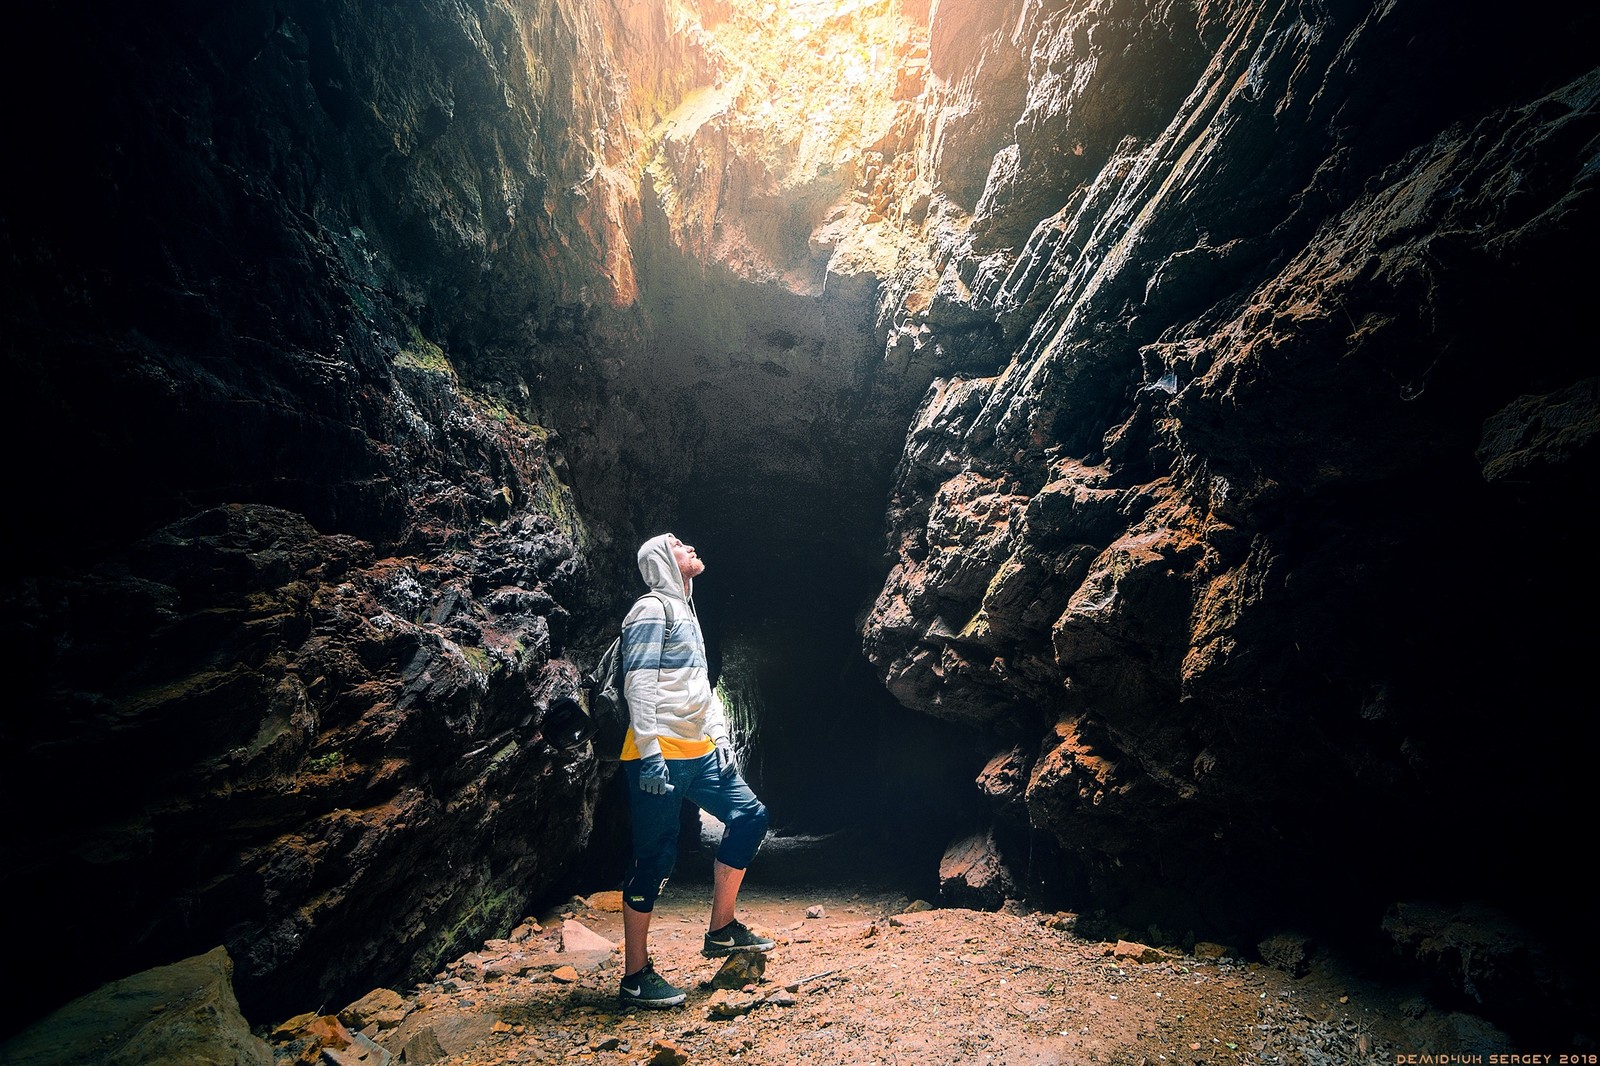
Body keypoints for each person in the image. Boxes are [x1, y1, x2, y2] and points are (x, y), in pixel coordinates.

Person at [616, 532, 773, 1008]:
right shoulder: (649, 610)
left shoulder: (687, 612)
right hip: (657, 753)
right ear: (664, 559)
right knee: (656, 862)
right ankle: (635, 976)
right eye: (679, 544)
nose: (691, 547)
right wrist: (648, 752)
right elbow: (637, 683)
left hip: (700, 750)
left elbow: (700, 687)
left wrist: (721, 735)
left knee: (750, 816)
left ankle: (722, 929)